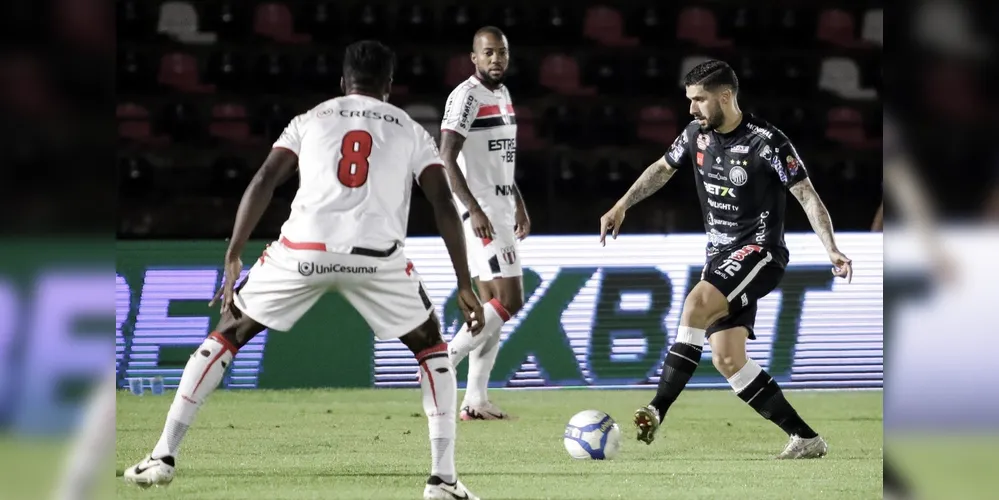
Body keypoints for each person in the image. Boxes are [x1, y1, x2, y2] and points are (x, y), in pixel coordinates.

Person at [123, 40, 483, 500]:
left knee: (228, 332)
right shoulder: (412, 130)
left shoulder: (311, 118)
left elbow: (263, 181)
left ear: (342, 82)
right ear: (390, 86)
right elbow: (442, 203)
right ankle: (443, 480)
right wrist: (463, 282)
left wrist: (235, 252)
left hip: (302, 250)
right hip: (377, 258)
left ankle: (163, 456)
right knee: (431, 347)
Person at [599, 60, 851, 459]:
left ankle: (656, 408)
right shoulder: (696, 135)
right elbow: (663, 169)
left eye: (699, 100)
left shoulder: (767, 141)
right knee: (728, 359)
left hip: (760, 253)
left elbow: (806, 195)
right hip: (719, 258)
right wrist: (622, 205)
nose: (692, 109)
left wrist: (831, 248)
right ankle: (806, 438)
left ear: (725, 96)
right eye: (690, 100)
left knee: (696, 304)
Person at [439, 26, 530, 420]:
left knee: (493, 306)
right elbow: (445, 157)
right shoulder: (466, 96)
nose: (496, 59)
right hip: (485, 213)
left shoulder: (503, 94)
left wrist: (519, 203)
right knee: (511, 300)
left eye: (502, 53)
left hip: (501, 206)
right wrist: (474, 209)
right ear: (474, 57)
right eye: (489, 53)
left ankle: (475, 399)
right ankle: (443, 361)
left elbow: (501, 160)